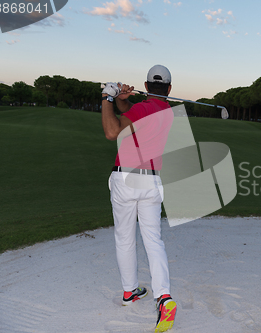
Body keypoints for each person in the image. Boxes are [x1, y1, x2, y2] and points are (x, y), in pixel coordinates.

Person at [101, 65, 176, 332]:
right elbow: (135, 114)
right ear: (168, 89)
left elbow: (112, 132)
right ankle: (164, 297)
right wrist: (124, 101)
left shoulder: (143, 109)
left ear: (146, 86)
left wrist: (108, 97)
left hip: (125, 179)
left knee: (124, 237)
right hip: (152, 181)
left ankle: (130, 291)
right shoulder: (165, 112)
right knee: (153, 239)